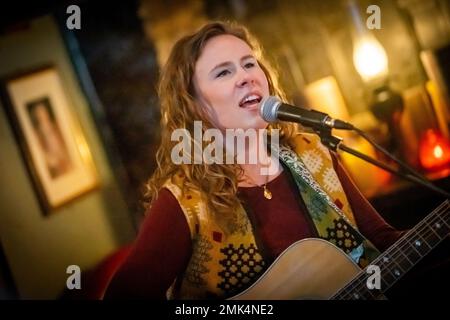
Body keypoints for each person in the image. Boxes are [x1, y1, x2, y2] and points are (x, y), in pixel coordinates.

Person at [103, 21, 404, 300]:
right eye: (223, 72)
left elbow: (380, 240)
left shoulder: (313, 152)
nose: (245, 76)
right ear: (194, 106)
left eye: (249, 64)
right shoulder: (185, 199)